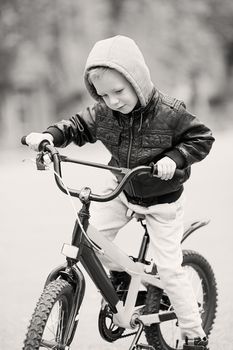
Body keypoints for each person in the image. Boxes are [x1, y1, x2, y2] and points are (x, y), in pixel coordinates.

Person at [25, 35, 214, 349]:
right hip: (123, 190)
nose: (112, 101)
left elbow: (201, 139)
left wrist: (174, 158)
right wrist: (49, 136)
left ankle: (195, 334)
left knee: (169, 270)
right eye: (103, 95)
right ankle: (124, 278)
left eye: (119, 92)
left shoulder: (169, 112)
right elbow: (76, 125)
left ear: (137, 80)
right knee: (90, 238)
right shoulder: (103, 113)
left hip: (161, 200)